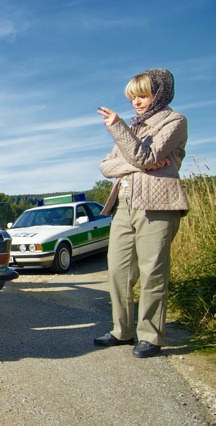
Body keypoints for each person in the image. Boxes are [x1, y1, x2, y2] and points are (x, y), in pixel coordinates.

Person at [94, 68, 189, 358]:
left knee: (152, 273)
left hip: (158, 205)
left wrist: (118, 127)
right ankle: (122, 330)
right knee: (119, 270)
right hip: (124, 204)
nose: (136, 103)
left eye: (142, 96)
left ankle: (151, 336)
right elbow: (106, 167)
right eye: (133, 97)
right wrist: (141, 164)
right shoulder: (133, 129)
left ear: (158, 95)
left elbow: (143, 155)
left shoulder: (175, 121)